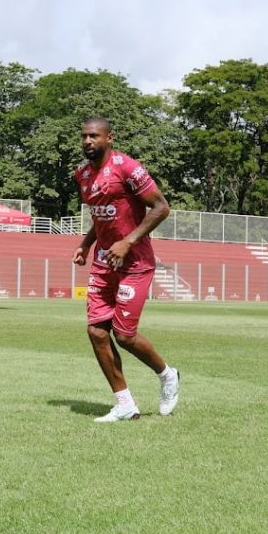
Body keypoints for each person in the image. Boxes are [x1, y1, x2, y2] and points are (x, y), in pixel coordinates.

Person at [71, 117, 180, 422]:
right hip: (104, 263)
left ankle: (168, 375)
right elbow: (102, 215)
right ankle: (125, 404)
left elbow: (161, 207)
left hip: (135, 263)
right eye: (84, 136)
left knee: (124, 335)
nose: (88, 141)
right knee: (96, 331)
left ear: (109, 138)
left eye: (94, 136)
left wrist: (128, 241)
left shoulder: (127, 168)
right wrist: (86, 243)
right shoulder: (82, 174)